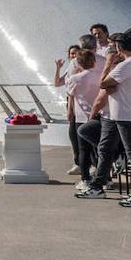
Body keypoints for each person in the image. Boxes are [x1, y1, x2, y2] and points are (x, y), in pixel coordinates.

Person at [75, 32, 131, 208]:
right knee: (105, 148)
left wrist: (109, 62)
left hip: (127, 115)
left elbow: (103, 83)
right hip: (122, 114)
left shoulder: (126, 65)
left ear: (119, 48)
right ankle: (97, 186)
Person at [65, 49, 101, 191]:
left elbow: (70, 95)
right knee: (99, 148)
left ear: (79, 63)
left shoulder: (75, 78)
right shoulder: (100, 76)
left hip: (82, 117)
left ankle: (85, 179)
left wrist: (70, 111)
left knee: (83, 150)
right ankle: (105, 178)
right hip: (99, 115)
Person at [54, 43, 83, 175]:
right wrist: (58, 68)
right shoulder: (68, 69)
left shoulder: (83, 69)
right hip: (70, 102)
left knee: (81, 133)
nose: (74, 55)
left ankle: (86, 163)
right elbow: (57, 83)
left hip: (81, 103)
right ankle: (77, 162)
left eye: (76, 53)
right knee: (73, 133)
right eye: (72, 53)